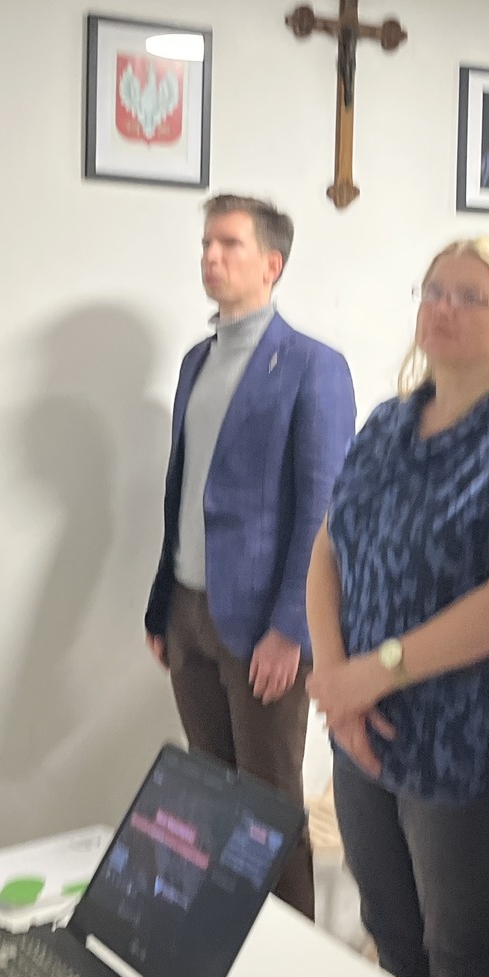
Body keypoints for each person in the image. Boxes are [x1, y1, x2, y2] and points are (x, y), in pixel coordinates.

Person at [305, 238, 489, 977]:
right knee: (395, 940)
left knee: (465, 961)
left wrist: (373, 673)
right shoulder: (388, 423)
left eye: (468, 297)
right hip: (366, 733)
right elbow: (329, 550)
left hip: (469, 745)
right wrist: (336, 681)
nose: (442, 309)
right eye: (433, 291)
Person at [144, 194, 355, 919]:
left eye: (229, 244)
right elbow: (184, 489)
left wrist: (292, 629)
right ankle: (220, 941)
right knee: (210, 799)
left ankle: (291, 952)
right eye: (206, 243)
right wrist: (161, 607)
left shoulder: (312, 367)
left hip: (265, 622)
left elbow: (323, 508)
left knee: (267, 807)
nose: (211, 256)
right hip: (189, 610)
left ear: (272, 264)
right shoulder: (195, 363)